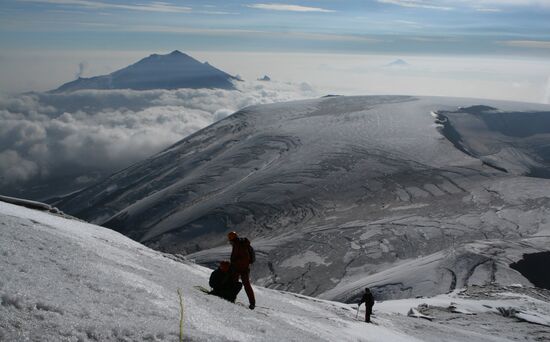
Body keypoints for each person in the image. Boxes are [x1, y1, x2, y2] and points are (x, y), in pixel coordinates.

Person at [227, 231, 256, 309]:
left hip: (240, 268)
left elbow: (243, 258)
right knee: (246, 285)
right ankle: (252, 303)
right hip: (244, 268)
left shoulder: (238, 245)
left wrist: (234, 264)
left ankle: (231, 298)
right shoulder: (240, 244)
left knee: (235, 283)